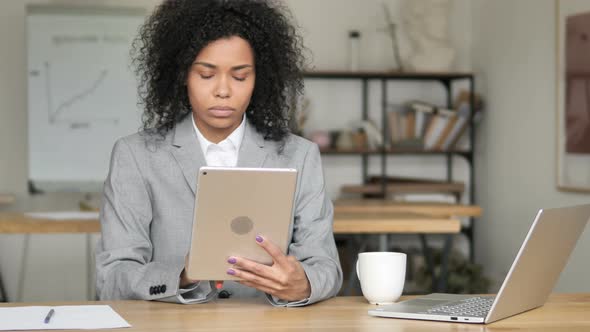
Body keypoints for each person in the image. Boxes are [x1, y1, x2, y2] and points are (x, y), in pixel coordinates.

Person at [95, 0, 343, 306]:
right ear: (182, 75)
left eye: (240, 77)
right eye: (206, 75)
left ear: (259, 79)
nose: (223, 90)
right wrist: (181, 275)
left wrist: (301, 283)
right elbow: (113, 277)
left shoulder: (299, 155)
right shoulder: (136, 156)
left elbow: (326, 267)